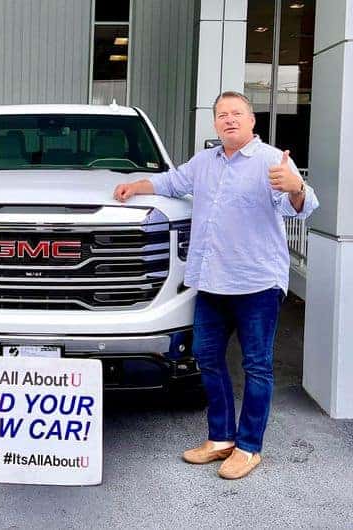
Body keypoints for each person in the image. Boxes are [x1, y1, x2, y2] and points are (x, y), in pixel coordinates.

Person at [113, 91, 319, 479]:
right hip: (211, 283)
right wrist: (136, 186)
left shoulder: (271, 161)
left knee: (257, 366)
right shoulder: (204, 162)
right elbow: (172, 182)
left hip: (256, 283)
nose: (229, 120)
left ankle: (249, 447)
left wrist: (295, 186)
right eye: (222, 114)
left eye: (237, 113)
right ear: (215, 123)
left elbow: (304, 208)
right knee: (207, 358)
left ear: (251, 120)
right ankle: (221, 438)